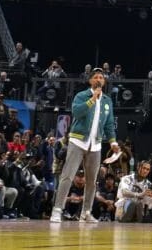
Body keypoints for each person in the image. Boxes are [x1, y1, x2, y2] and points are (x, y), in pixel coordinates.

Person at [50, 69, 120, 223]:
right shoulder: (81, 96)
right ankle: (57, 210)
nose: (98, 79)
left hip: (96, 144)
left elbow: (109, 124)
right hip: (78, 141)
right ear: (90, 81)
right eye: (95, 77)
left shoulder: (107, 101)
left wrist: (113, 142)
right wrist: (92, 99)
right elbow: (76, 112)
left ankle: (86, 212)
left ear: (104, 82)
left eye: (101, 77)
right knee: (67, 176)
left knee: (91, 181)